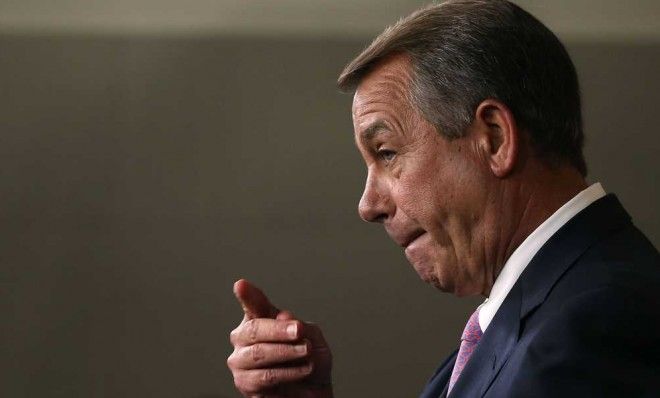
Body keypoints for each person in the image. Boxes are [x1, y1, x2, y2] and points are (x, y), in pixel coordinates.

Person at [227, 0, 660, 396]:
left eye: (387, 153)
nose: (368, 204)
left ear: (493, 138)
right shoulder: (536, 318)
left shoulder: (599, 324)